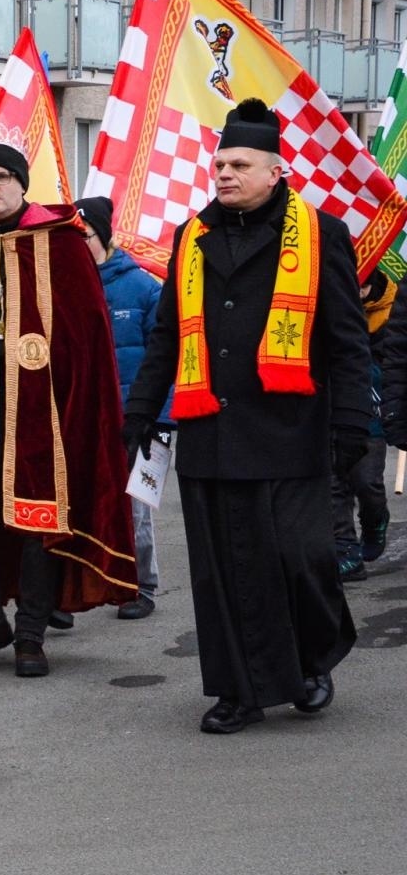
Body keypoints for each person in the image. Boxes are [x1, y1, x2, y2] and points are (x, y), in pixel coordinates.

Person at [125, 98, 371, 734]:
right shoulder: (192, 236)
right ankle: (237, 690)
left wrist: (351, 423)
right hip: (210, 429)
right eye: (219, 165)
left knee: (300, 556)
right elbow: (167, 337)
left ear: (275, 171)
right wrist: (139, 413)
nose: (225, 174)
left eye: (238, 165)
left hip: (290, 431)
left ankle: (313, 658)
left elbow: (347, 340)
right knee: (224, 569)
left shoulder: (321, 235)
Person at [0, 143, 137, 678]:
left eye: (3, 177)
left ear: (22, 184)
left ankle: (30, 631)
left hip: (38, 405)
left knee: (34, 516)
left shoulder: (60, 240)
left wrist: (21, 346)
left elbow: (84, 331)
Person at [78, 196, 171, 620]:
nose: (79, 245)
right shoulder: (63, 286)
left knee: (135, 507)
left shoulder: (144, 288)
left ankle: (141, 586)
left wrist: (160, 420)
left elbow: (165, 357)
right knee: (80, 504)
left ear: (104, 235)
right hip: (85, 417)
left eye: (85, 236)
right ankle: (75, 589)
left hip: (139, 419)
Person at [332, 270, 393, 582]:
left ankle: (375, 521)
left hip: (371, 416)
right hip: (333, 413)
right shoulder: (333, 307)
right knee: (334, 486)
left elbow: (394, 364)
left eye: (363, 286)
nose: (357, 292)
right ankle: (346, 551)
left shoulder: (389, 316)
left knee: (367, 483)